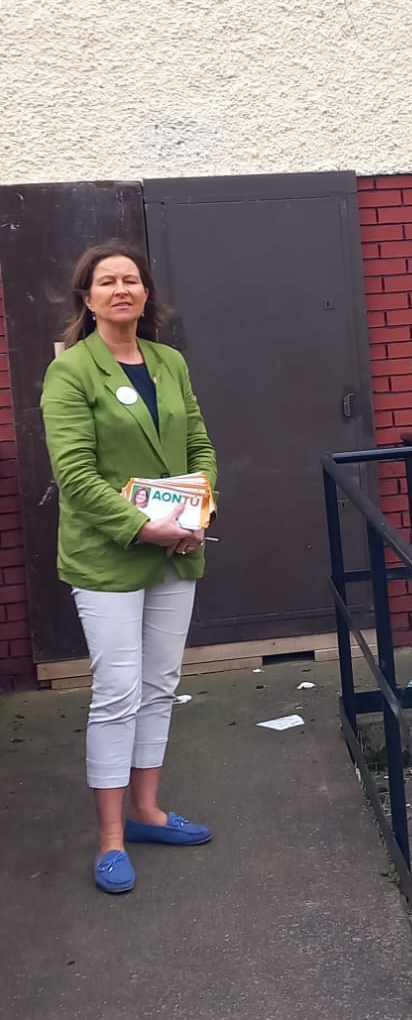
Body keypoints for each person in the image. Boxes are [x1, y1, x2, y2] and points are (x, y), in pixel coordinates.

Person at [41, 240, 218, 895]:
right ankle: (111, 839)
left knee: (160, 683)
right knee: (118, 691)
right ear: (87, 299)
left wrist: (199, 511)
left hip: (177, 548)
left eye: (132, 280)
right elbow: (75, 474)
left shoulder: (170, 363)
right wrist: (144, 527)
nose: (122, 289)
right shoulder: (71, 373)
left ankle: (147, 811)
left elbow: (199, 444)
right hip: (108, 556)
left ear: (146, 295)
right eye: (107, 281)